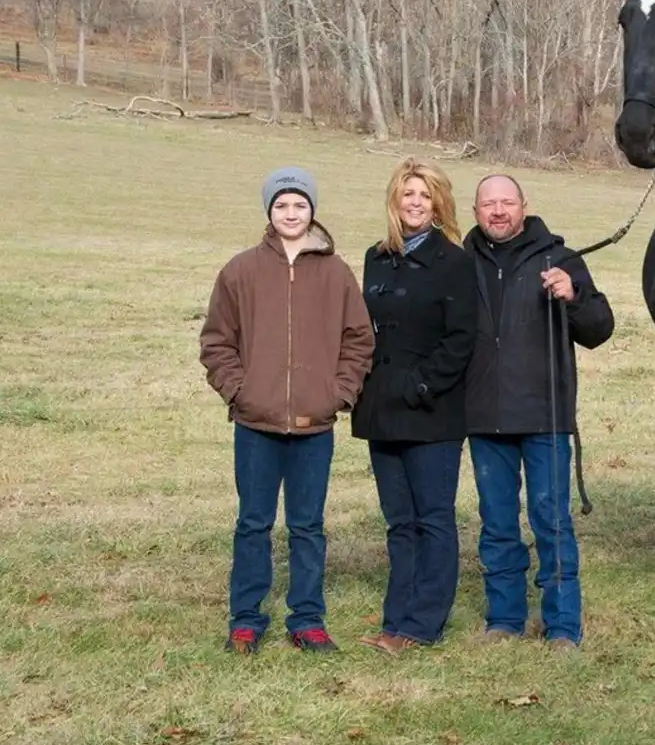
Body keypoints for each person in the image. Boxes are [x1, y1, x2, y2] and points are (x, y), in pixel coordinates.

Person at [198, 166, 373, 655]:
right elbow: (216, 342)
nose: (291, 213)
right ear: (269, 212)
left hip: (314, 426)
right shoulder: (241, 271)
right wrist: (240, 392)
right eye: (281, 205)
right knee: (253, 523)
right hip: (256, 423)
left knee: (307, 526)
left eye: (299, 205)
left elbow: (359, 341)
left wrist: (337, 393)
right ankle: (245, 619)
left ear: (312, 210)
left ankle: (307, 618)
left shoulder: (336, 274)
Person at [463, 174, 615, 651]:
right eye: (489, 203)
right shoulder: (461, 262)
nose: (498, 211)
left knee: (551, 520)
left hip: (544, 415)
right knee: (497, 523)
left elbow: (600, 329)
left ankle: (563, 626)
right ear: (475, 211)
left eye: (507, 202)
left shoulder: (559, 259)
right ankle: (504, 619)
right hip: (485, 416)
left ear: (524, 207)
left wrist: (575, 295)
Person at [351, 158, 477, 655]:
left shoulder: (455, 262)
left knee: (433, 518)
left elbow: (461, 338)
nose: (416, 203)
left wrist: (422, 386)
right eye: (408, 194)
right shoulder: (376, 257)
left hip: (431, 411)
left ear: (439, 204)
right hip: (381, 409)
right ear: (395, 201)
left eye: (425, 195)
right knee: (399, 520)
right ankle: (395, 619)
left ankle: (424, 624)